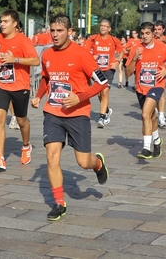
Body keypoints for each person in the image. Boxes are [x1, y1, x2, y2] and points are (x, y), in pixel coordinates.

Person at [30, 14, 109, 221]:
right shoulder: (46, 54)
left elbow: (101, 83)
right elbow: (47, 79)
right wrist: (38, 97)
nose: (55, 35)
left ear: (70, 32)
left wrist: (79, 98)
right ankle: (59, 203)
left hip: (77, 114)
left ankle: (97, 164)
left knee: (83, 162)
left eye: (60, 31)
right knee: (51, 156)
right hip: (53, 112)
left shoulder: (82, 54)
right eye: (52, 31)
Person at [0, 9, 40, 171]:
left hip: (20, 86)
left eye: (6, 22)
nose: (2, 24)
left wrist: (15, 59)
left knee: (21, 120)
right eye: (1, 21)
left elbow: (36, 60)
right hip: (2, 85)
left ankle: (26, 146)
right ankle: (0, 157)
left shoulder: (23, 41)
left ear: (15, 23)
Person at [125, 22, 166, 159]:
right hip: (141, 87)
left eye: (147, 33)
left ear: (153, 34)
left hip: (157, 85)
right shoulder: (136, 48)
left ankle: (146, 148)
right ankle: (157, 141)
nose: (144, 36)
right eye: (142, 34)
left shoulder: (163, 48)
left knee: (145, 114)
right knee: (151, 117)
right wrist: (135, 58)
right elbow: (128, 72)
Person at [85, 19, 123, 128]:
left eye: (105, 26)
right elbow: (85, 52)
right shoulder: (93, 39)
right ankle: (106, 109)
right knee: (99, 92)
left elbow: (122, 52)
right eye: (101, 25)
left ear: (109, 29)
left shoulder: (114, 40)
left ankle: (102, 117)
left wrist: (117, 62)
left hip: (109, 69)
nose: (103, 27)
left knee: (105, 91)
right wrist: (92, 57)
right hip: (96, 69)